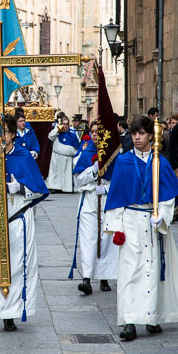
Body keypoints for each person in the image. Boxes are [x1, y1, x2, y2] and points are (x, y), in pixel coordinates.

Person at [104, 116, 178, 341]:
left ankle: (151, 317)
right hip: (130, 220)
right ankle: (129, 321)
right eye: (134, 134)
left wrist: (162, 217)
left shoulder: (160, 161)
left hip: (152, 220)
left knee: (151, 270)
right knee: (129, 271)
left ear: (151, 135)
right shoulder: (123, 161)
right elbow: (115, 197)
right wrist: (117, 228)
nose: (137, 138)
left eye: (141, 133)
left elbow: (169, 196)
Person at [0, 114, 49, 334]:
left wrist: (21, 188)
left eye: (4, 132)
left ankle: (9, 315)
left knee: (14, 268)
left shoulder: (23, 156)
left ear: (13, 134)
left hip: (16, 221)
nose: (0, 137)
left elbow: (40, 190)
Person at [68, 120, 118, 294]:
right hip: (89, 200)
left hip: (107, 200)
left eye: (98, 131)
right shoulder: (87, 151)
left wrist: (105, 188)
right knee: (88, 239)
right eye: (93, 131)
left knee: (106, 239)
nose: (95, 134)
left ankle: (104, 277)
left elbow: (121, 182)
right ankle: (87, 278)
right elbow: (79, 180)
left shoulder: (114, 154)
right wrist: (94, 169)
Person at [46, 116, 80, 193]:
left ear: (69, 125)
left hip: (68, 158)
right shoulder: (57, 133)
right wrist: (57, 129)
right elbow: (50, 136)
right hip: (57, 156)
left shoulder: (73, 134)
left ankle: (66, 188)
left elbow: (77, 147)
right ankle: (55, 187)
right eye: (63, 124)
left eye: (66, 124)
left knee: (66, 174)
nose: (65, 126)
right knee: (56, 173)